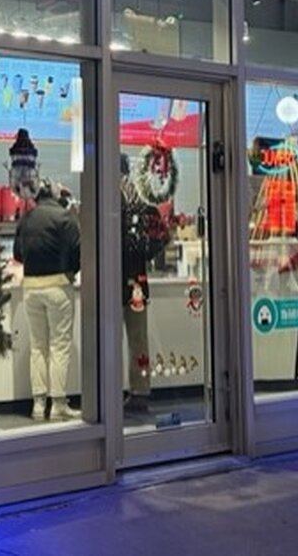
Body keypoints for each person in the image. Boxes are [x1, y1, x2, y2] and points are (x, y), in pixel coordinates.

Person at [14, 180, 81, 421]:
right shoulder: (65, 217)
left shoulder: (26, 218)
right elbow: (78, 251)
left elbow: (17, 254)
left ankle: (38, 404)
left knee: (38, 346)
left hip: (31, 287)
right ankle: (58, 403)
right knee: (59, 347)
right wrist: (71, 271)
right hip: (58, 286)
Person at [121, 155, 170, 414]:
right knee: (137, 339)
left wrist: (141, 253)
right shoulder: (142, 201)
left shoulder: (107, 199)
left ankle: (117, 391)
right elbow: (162, 236)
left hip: (115, 281)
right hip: (136, 281)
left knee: (113, 339)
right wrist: (144, 255)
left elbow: (161, 236)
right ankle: (139, 391)